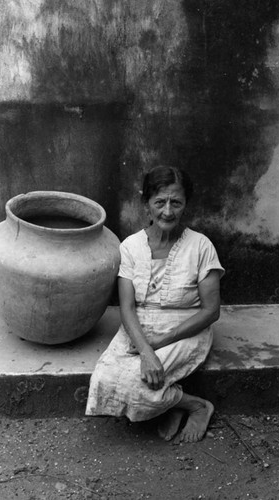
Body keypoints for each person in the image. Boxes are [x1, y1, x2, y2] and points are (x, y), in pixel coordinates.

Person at [85, 165, 224, 443]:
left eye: (176, 202)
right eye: (160, 202)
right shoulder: (130, 247)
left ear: (186, 204)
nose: (168, 211)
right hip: (138, 328)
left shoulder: (201, 246)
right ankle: (175, 403)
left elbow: (211, 311)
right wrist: (146, 349)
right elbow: (126, 308)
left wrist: (158, 344)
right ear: (146, 204)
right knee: (104, 379)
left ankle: (198, 406)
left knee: (138, 386)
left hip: (186, 329)